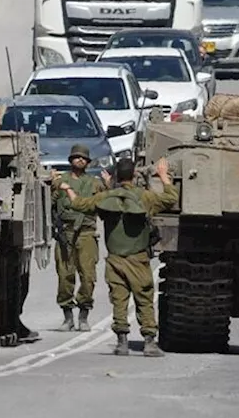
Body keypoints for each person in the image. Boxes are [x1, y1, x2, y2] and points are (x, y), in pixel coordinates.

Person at [62, 156, 179, 357]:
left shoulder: (106, 198)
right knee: (144, 298)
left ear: (116, 175)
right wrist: (163, 176)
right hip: (138, 258)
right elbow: (170, 198)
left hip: (115, 259)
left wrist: (68, 189)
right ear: (134, 175)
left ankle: (122, 342)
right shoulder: (145, 197)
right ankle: (149, 342)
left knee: (119, 299)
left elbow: (79, 204)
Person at [49, 145, 108, 332]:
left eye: (84, 158)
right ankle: (67, 316)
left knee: (88, 276)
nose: (80, 160)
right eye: (76, 157)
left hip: (86, 233)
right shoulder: (60, 182)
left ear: (88, 162)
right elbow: (49, 204)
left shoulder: (94, 183)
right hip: (65, 233)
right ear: (70, 160)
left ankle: (83, 315)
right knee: (65, 276)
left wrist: (108, 185)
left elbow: (107, 203)